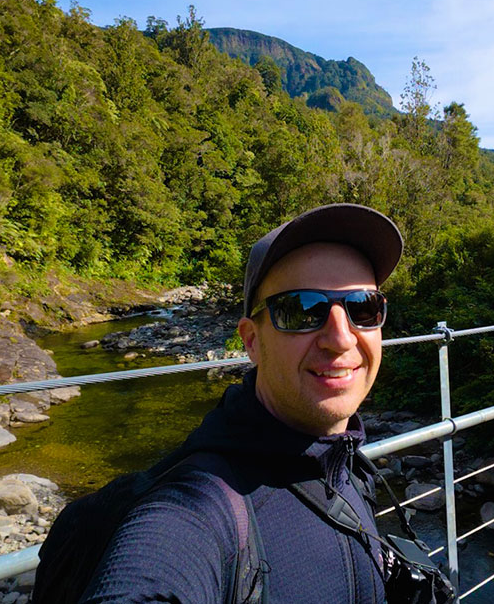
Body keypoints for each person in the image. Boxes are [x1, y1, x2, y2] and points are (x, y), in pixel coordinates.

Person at [80, 203, 403, 603]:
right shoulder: (201, 504)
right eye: (302, 310)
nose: (341, 338)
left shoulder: (345, 460)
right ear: (251, 341)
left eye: (362, 307)